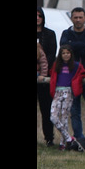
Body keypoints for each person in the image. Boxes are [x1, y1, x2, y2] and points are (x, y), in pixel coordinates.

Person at [60, 7, 85, 149]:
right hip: (72, 78)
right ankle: (79, 140)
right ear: (71, 18)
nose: (78, 20)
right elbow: (64, 48)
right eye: (75, 17)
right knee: (75, 112)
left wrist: (74, 46)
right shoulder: (66, 33)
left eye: (80, 17)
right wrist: (84, 45)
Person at [49, 45, 85, 151]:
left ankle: (63, 144)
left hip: (68, 92)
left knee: (64, 118)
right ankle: (69, 138)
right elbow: (52, 74)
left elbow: (84, 73)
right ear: (60, 55)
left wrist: (78, 81)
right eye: (63, 53)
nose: (66, 55)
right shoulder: (56, 65)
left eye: (68, 53)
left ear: (71, 54)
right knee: (53, 117)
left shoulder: (76, 65)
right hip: (57, 92)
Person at [37, 8, 58, 146]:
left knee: (46, 109)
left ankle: (49, 138)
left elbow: (52, 54)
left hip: (45, 78)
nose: (37, 18)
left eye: (39, 15)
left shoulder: (50, 34)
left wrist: (42, 71)